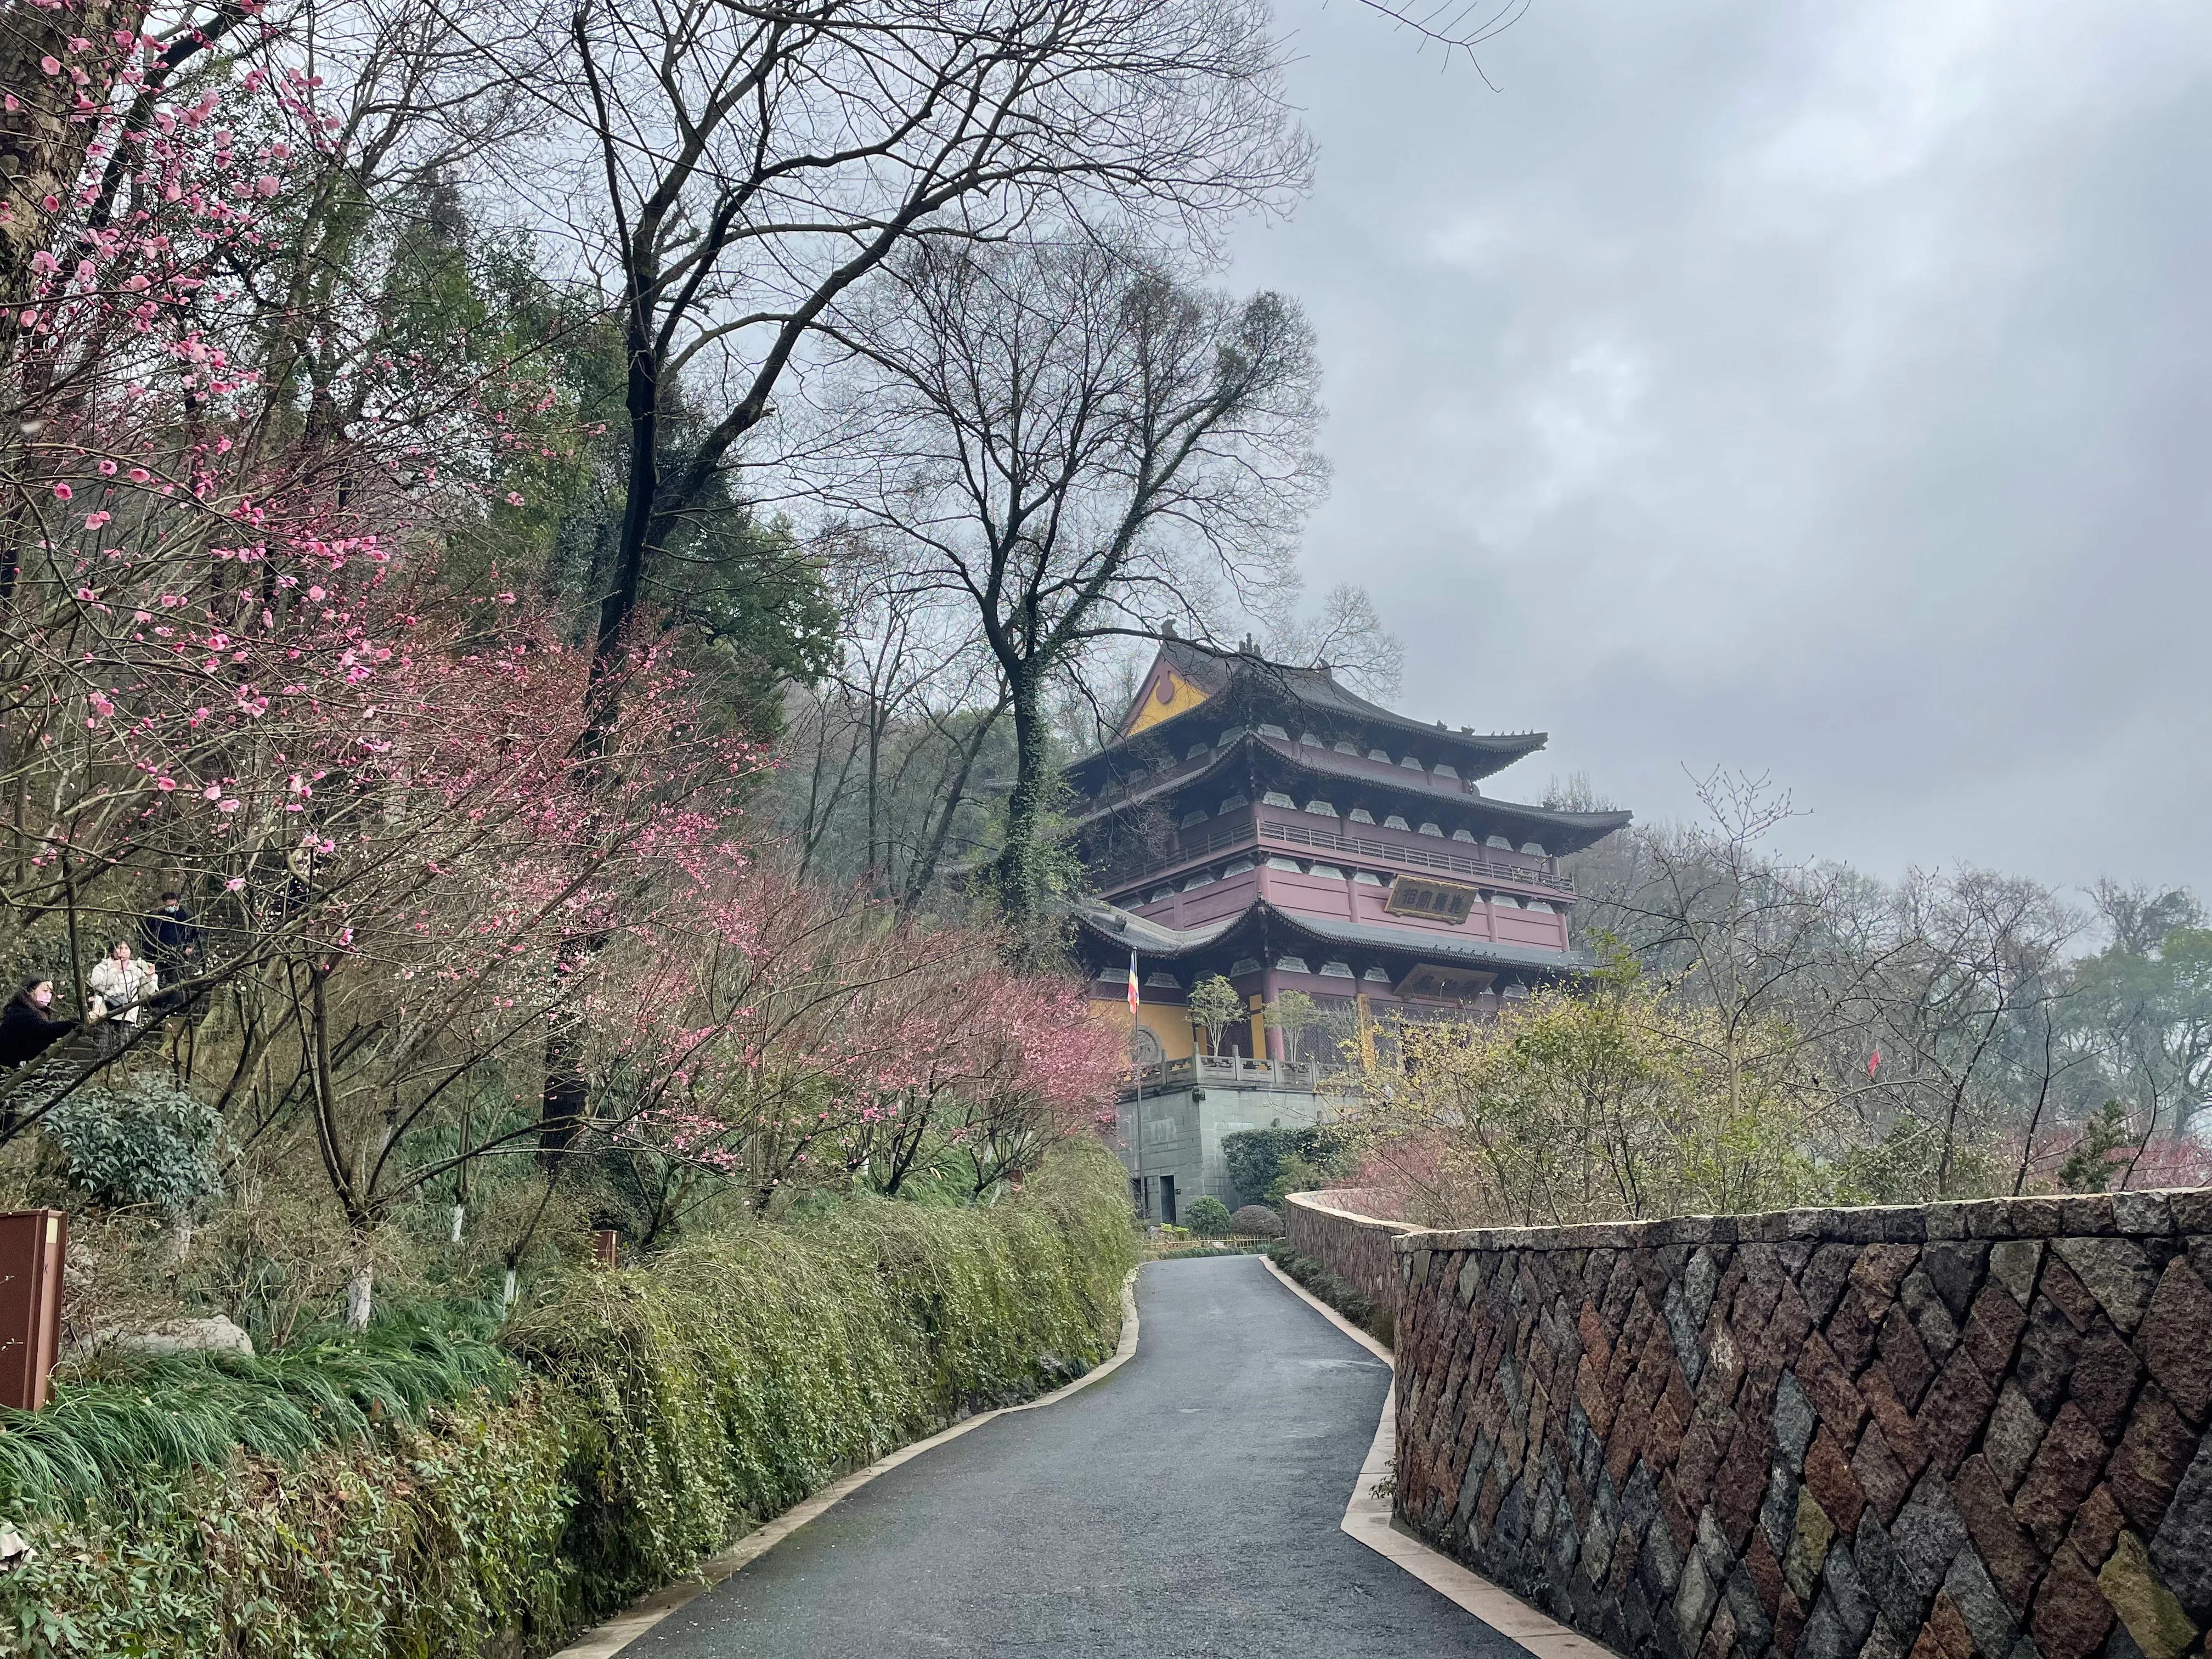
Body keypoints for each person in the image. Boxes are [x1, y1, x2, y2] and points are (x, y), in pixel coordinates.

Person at [0, 977, 103, 1070]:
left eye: (50, 992)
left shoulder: (33, 1012)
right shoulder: (19, 1013)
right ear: (30, 991)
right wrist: (77, 1022)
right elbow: (46, 1030)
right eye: (45, 990)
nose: (48, 996)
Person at [87, 939, 157, 1026]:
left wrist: (150, 977)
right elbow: (98, 986)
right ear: (113, 951)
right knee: (103, 1039)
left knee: (125, 1040)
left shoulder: (136, 970)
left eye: (126, 948)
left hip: (128, 1016)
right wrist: (115, 969)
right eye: (120, 948)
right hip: (104, 1015)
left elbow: (145, 994)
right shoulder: (103, 967)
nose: (123, 951)